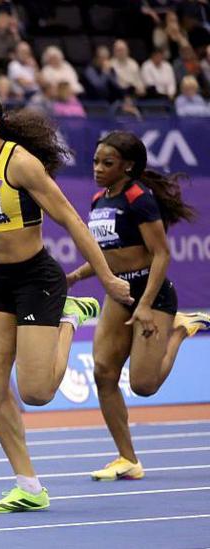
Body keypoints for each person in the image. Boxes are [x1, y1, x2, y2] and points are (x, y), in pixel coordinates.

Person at [0, 92, 133, 513]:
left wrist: (107, 277)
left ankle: (70, 318)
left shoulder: (20, 163)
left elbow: (71, 218)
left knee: (36, 393)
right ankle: (29, 485)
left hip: (37, 279)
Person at [67, 130, 209, 482]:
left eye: (107, 163)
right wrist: (73, 277)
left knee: (145, 386)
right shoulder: (99, 199)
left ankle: (180, 328)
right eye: (96, 161)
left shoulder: (139, 199)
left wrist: (145, 305)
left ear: (128, 166)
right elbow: (106, 256)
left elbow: (161, 254)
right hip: (118, 294)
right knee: (104, 372)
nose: (98, 168)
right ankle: (127, 458)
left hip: (152, 293)